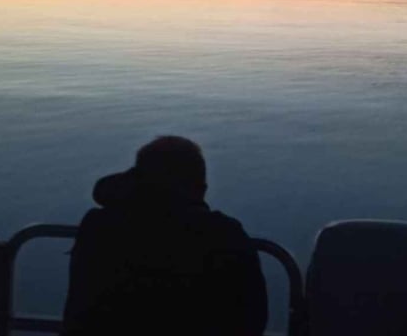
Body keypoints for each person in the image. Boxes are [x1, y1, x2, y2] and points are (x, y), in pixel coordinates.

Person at [60, 136, 267, 336]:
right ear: (200, 189)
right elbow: (253, 319)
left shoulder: (98, 226)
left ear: (136, 178)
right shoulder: (224, 234)